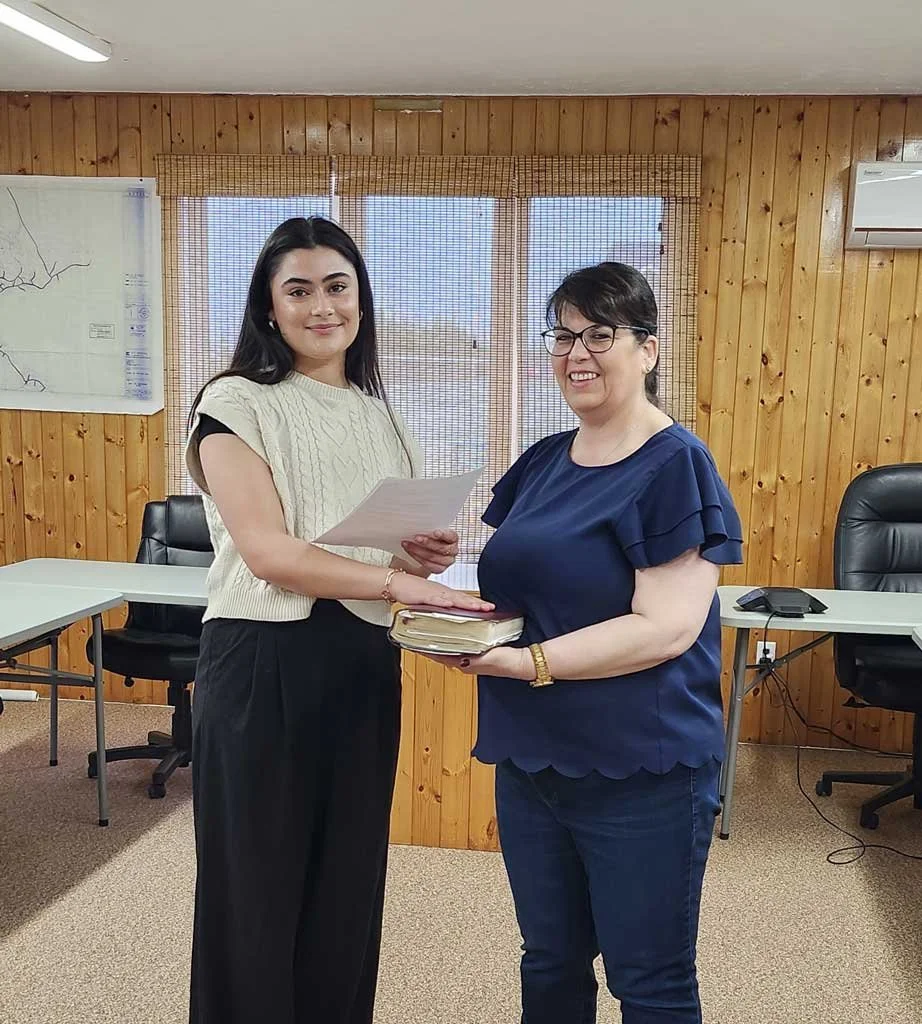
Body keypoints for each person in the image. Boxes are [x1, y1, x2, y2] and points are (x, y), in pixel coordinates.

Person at [183, 215, 492, 1024]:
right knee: (256, 893)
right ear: (269, 307)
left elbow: (385, 558)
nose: (322, 306)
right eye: (299, 289)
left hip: (360, 662)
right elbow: (269, 554)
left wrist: (420, 558)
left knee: (347, 885)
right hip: (261, 660)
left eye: (338, 286)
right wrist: (397, 583)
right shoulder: (234, 403)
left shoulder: (380, 413)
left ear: (361, 298)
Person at [428, 262, 743, 1024]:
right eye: (563, 336)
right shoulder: (544, 460)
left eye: (600, 334)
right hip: (533, 757)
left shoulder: (677, 465)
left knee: (650, 981)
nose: (577, 353)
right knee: (550, 961)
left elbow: (664, 628)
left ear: (648, 350)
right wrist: (433, 582)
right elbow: (525, 586)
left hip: (642, 766)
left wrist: (527, 662)